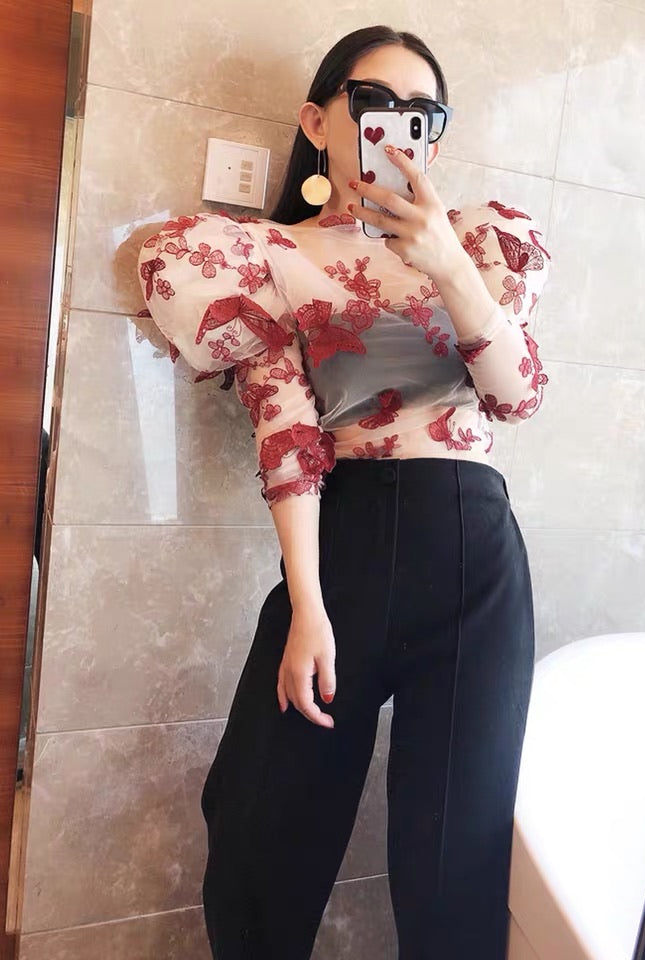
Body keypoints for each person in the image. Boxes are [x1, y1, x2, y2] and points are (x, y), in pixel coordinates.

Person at [137, 23, 552, 960]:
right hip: (345, 544)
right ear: (319, 120)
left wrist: (447, 265)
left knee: (456, 856)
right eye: (373, 103)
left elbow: (518, 396)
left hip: (474, 556)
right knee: (259, 828)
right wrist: (308, 606)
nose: (397, 126)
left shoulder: (480, 243)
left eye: (422, 113)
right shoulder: (267, 256)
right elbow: (287, 432)